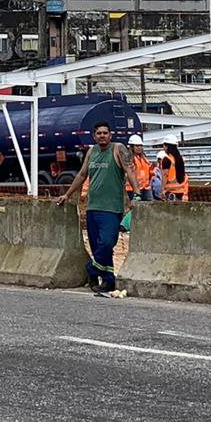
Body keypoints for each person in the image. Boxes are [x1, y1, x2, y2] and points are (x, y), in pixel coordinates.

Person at [57, 122, 136, 294]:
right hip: (93, 207)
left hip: (111, 208)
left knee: (107, 242)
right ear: (94, 136)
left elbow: (130, 170)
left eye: (105, 133)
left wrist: (136, 194)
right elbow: (82, 174)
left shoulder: (118, 149)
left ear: (110, 135)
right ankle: (108, 281)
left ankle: (92, 269)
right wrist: (68, 194)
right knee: (97, 246)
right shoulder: (91, 152)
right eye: (99, 133)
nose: (102, 136)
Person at [157, 135, 189, 201]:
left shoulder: (166, 159)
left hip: (170, 191)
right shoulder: (180, 159)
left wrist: (162, 190)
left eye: (164, 146)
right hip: (181, 190)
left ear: (166, 146)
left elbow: (165, 175)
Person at [124, 134, 152, 202]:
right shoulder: (129, 159)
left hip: (145, 189)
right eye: (137, 146)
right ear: (132, 147)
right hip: (132, 190)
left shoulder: (144, 159)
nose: (139, 147)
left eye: (140, 145)